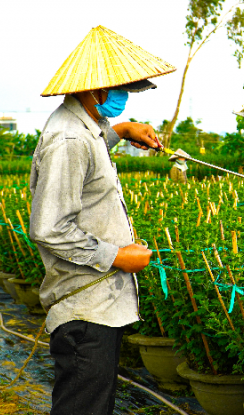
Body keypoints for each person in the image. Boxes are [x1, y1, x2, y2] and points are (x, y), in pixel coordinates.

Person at [29, 25, 176, 415]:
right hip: (84, 307)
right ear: (94, 91)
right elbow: (49, 228)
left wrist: (123, 131)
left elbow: (93, 148)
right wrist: (117, 256)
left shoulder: (85, 130)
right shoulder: (70, 141)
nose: (125, 96)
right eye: (120, 88)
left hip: (98, 304)